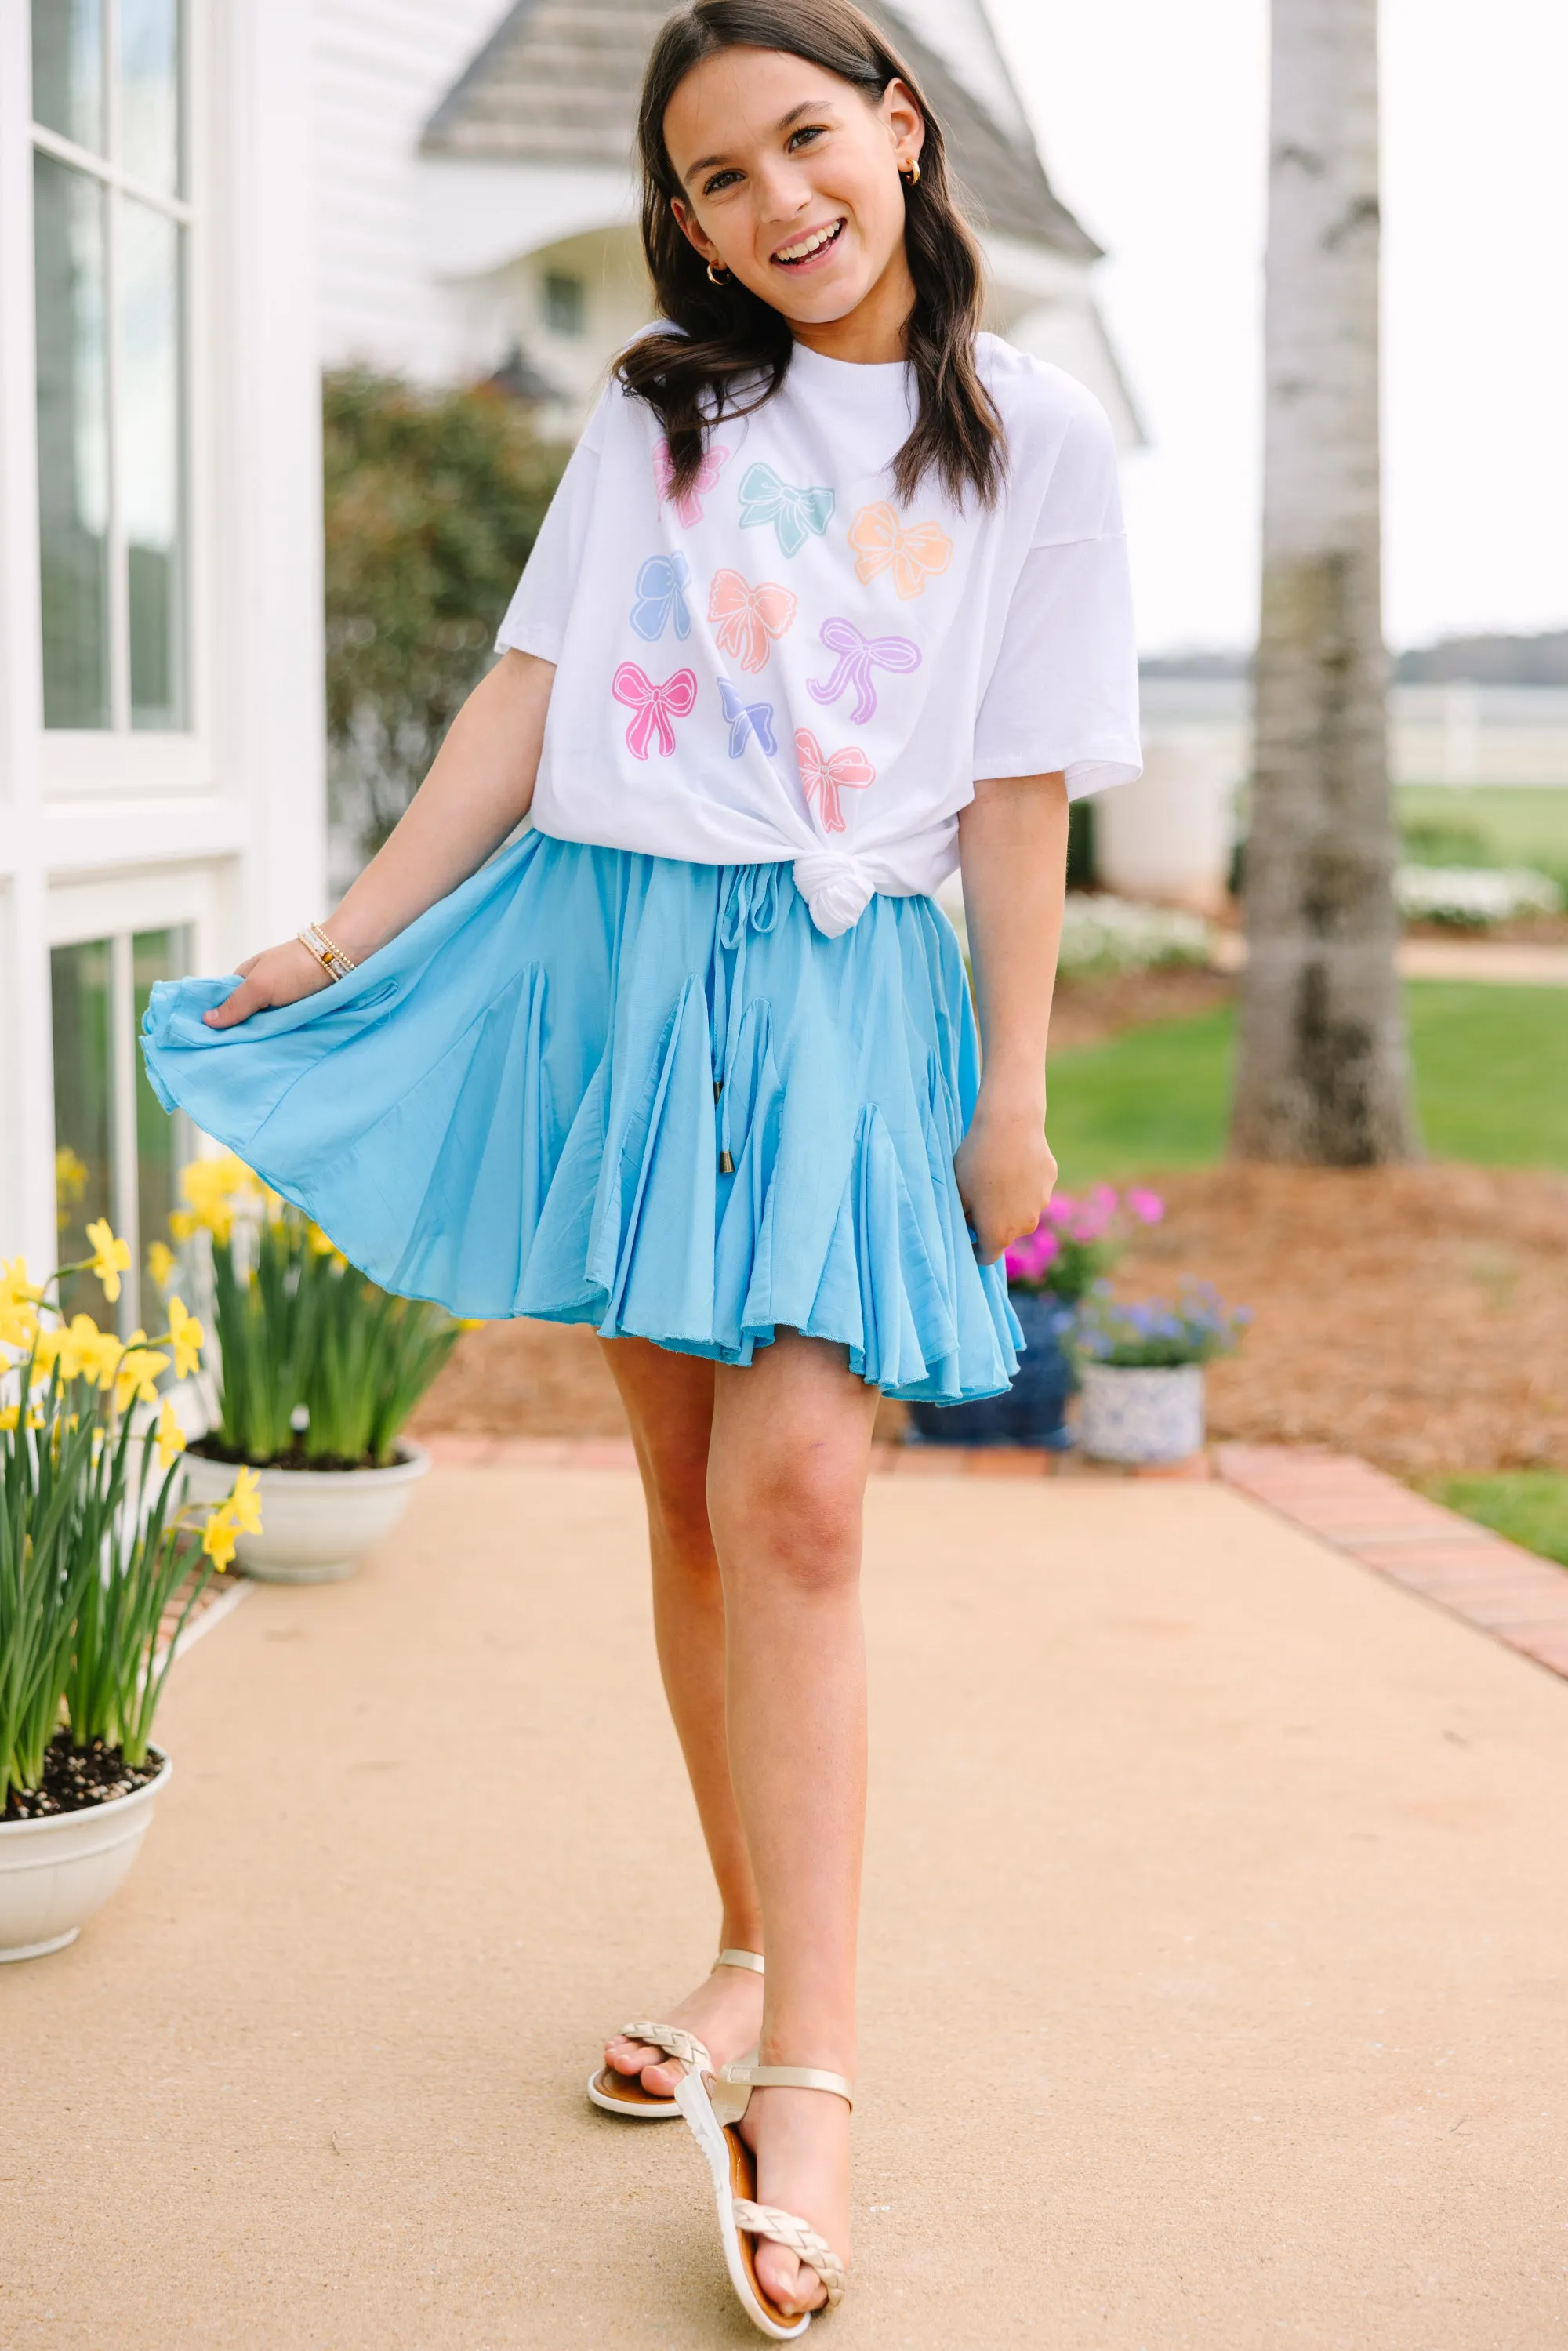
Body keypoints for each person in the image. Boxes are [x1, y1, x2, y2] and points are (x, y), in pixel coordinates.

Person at [142, 0, 1139, 2332]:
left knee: (804, 1497)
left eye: (805, 139)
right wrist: (341, 928)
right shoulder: (661, 411)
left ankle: (813, 2073)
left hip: (839, 992)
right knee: (690, 1497)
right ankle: (739, 1946)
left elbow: (1019, 793)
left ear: (898, 125)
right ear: (677, 220)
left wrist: (1012, 1092)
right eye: (713, 179)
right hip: (621, 970)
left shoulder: (1041, 437)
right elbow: (522, 694)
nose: (774, 203)